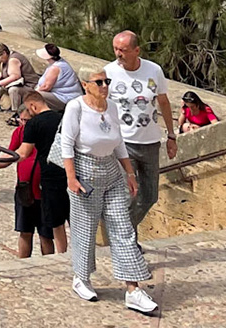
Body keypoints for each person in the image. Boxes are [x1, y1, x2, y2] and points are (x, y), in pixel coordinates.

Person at [58, 68, 155, 314]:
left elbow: (119, 141)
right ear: (85, 84)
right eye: (98, 82)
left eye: (106, 81)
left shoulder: (111, 106)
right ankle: (81, 277)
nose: (104, 86)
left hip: (111, 171)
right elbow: (67, 143)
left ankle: (133, 289)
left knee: (123, 227)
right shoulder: (75, 107)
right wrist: (71, 178)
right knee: (85, 227)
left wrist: (130, 174)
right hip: (85, 170)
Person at [105, 30, 178, 225]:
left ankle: (122, 232)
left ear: (136, 50)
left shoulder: (153, 70)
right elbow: (101, 106)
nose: (118, 54)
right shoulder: (109, 73)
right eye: (115, 49)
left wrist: (171, 136)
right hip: (123, 143)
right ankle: (126, 238)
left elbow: (163, 102)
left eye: (123, 50)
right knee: (128, 196)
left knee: (150, 196)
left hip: (150, 142)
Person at [10, 92, 69, 259]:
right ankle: (63, 258)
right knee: (40, 229)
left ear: (33, 107)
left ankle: (60, 259)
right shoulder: (63, 120)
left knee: (52, 228)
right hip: (41, 184)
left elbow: (22, 152)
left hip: (46, 183)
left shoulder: (34, 125)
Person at [0, 44, 28, 114]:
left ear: (4, 53)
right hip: (17, 83)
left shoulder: (13, 60)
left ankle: (16, 110)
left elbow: (15, 76)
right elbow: (5, 71)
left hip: (27, 85)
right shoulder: (6, 60)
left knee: (13, 90)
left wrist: (0, 83)